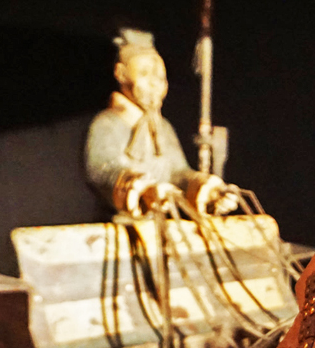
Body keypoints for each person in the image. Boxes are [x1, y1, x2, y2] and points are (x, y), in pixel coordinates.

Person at [84, 28, 237, 217]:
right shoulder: (107, 123)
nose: (154, 83)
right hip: (120, 222)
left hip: (164, 220)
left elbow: (176, 173)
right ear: (121, 74)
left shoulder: (163, 127)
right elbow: (100, 171)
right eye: (145, 74)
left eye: (160, 77)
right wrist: (140, 188)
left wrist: (205, 188)